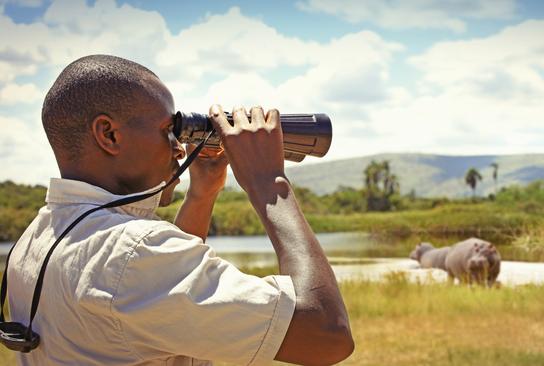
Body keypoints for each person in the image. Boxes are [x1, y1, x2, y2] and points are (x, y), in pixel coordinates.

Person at [6, 55, 354, 365]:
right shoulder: (130, 255)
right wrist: (269, 182)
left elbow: (161, 305)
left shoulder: (39, 236)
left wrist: (201, 195)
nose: (178, 149)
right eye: (166, 131)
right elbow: (325, 334)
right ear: (109, 135)